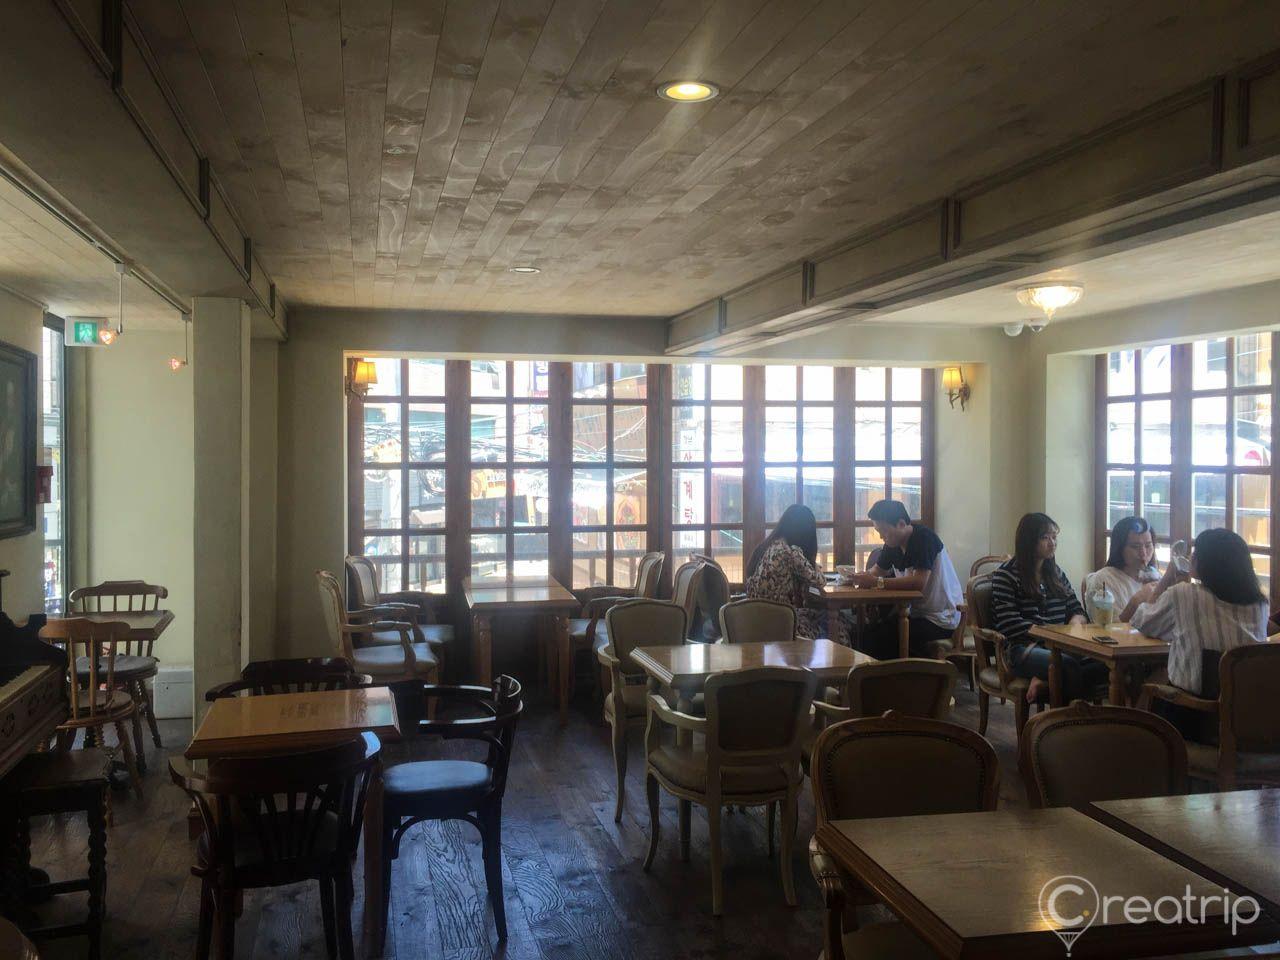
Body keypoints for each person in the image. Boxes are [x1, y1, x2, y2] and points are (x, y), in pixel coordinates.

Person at [1130, 528, 1269, 738]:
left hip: (1197, 720)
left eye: (1195, 554)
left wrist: (1165, 580)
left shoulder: (1185, 594)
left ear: (1205, 563)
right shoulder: (1260, 605)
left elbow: (1142, 621)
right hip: (1254, 724)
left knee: (1146, 695)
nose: (1191, 557)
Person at [989, 512, 1107, 704]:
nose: (1052, 543)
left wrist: (1075, 623)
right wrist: (1053, 635)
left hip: (1062, 645)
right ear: (1028, 541)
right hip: (1024, 649)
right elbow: (1009, 623)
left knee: (1107, 662)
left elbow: (1077, 609)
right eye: (1045, 537)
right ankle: (1066, 721)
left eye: (1054, 537)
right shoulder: (1006, 575)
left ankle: (1045, 682)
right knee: (1066, 665)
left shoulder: (1056, 573)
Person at [852, 500, 963, 660]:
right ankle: (884, 680)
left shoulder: (924, 538)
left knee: (882, 637)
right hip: (917, 614)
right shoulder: (892, 544)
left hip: (941, 617)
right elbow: (876, 571)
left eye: (884, 531)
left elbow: (918, 583)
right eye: (878, 531)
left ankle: (899, 679)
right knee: (867, 633)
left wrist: (876, 582)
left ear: (901, 524)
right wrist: (857, 578)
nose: (882, 536)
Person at [745, 504, 826, 640]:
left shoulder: (770, 545)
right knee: (836, 624)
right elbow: (820, 581)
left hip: (755, 624)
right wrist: (817, 567)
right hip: (781, 627)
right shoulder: (790, 552)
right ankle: (845, 660)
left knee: (820, 616)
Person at [1082, 516, 1160, 622]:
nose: (1143, 553)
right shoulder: (1104, 580)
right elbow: (1106, 629)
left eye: (1148, 546)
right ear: (1119, 548)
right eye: (1135, 547)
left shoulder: (1154, 576)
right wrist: (1136, 601)